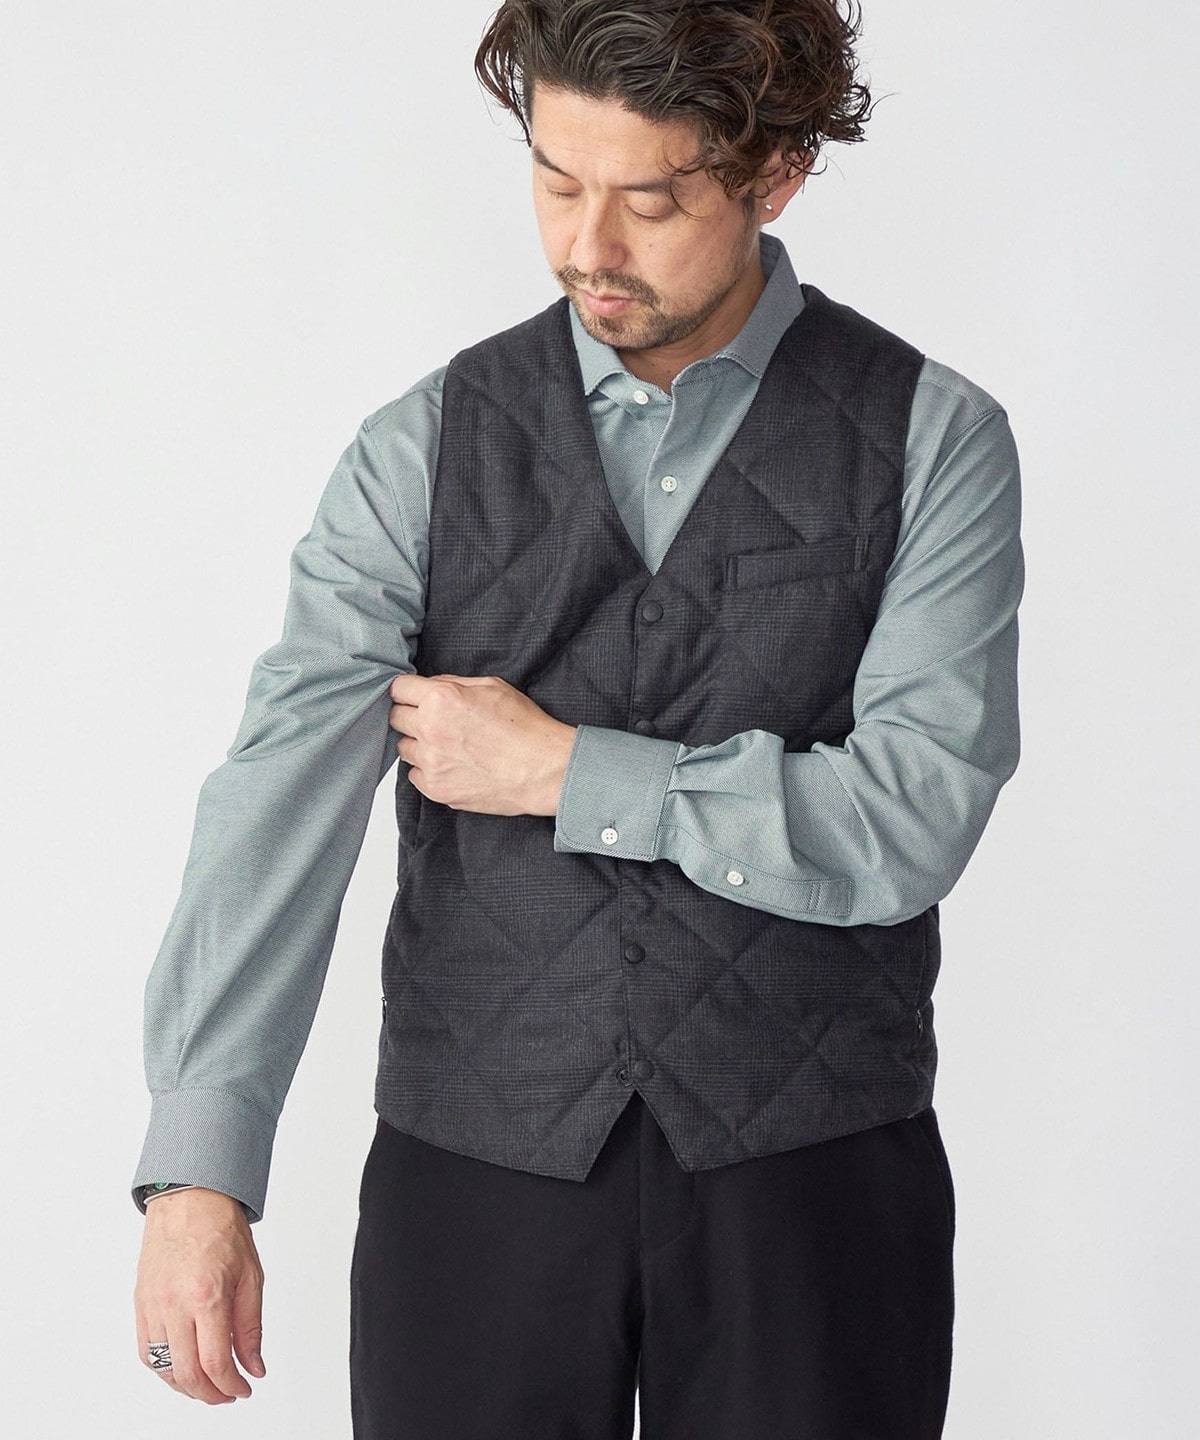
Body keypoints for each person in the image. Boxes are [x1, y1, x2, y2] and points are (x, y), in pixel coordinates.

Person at [132, 2, 1023, 1436]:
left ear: (777, 171)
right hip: (477, 1173)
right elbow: (276, 800)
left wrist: (565, 770)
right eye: (556, 181)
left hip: (817, 1182)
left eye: (651, 200)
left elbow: (911, 817)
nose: (587, 247)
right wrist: (199, 1171)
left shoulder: (935, 437)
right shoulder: (422, 446)